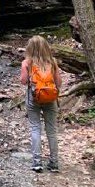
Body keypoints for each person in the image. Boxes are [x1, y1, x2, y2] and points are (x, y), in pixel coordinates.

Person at [20, 35, 61, 173]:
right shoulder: (53, 62)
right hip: (50, 99)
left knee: (35, 129)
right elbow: (59, 83)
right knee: (51, 131)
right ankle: (54, 163)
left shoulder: (27, 63)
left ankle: (37, 163)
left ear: (30, 48)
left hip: (34, 99)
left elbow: (24, 81)